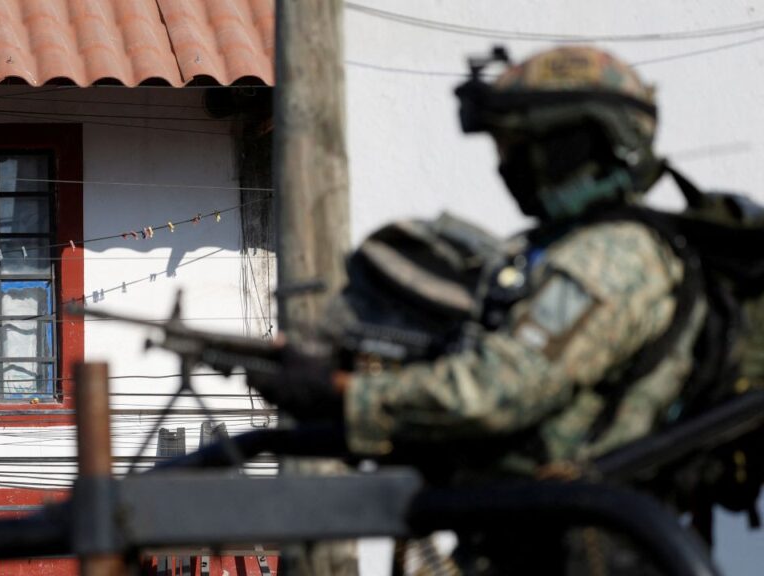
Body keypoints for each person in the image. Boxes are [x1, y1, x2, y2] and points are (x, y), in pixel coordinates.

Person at [247, 46, 710, 573]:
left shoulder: (608, 257)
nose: (507, 165)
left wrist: (348, 396)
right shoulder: (566, 249)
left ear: (572, 143)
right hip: (533, 536)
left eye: (519, 145)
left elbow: (501, 388)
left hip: (579, 550)